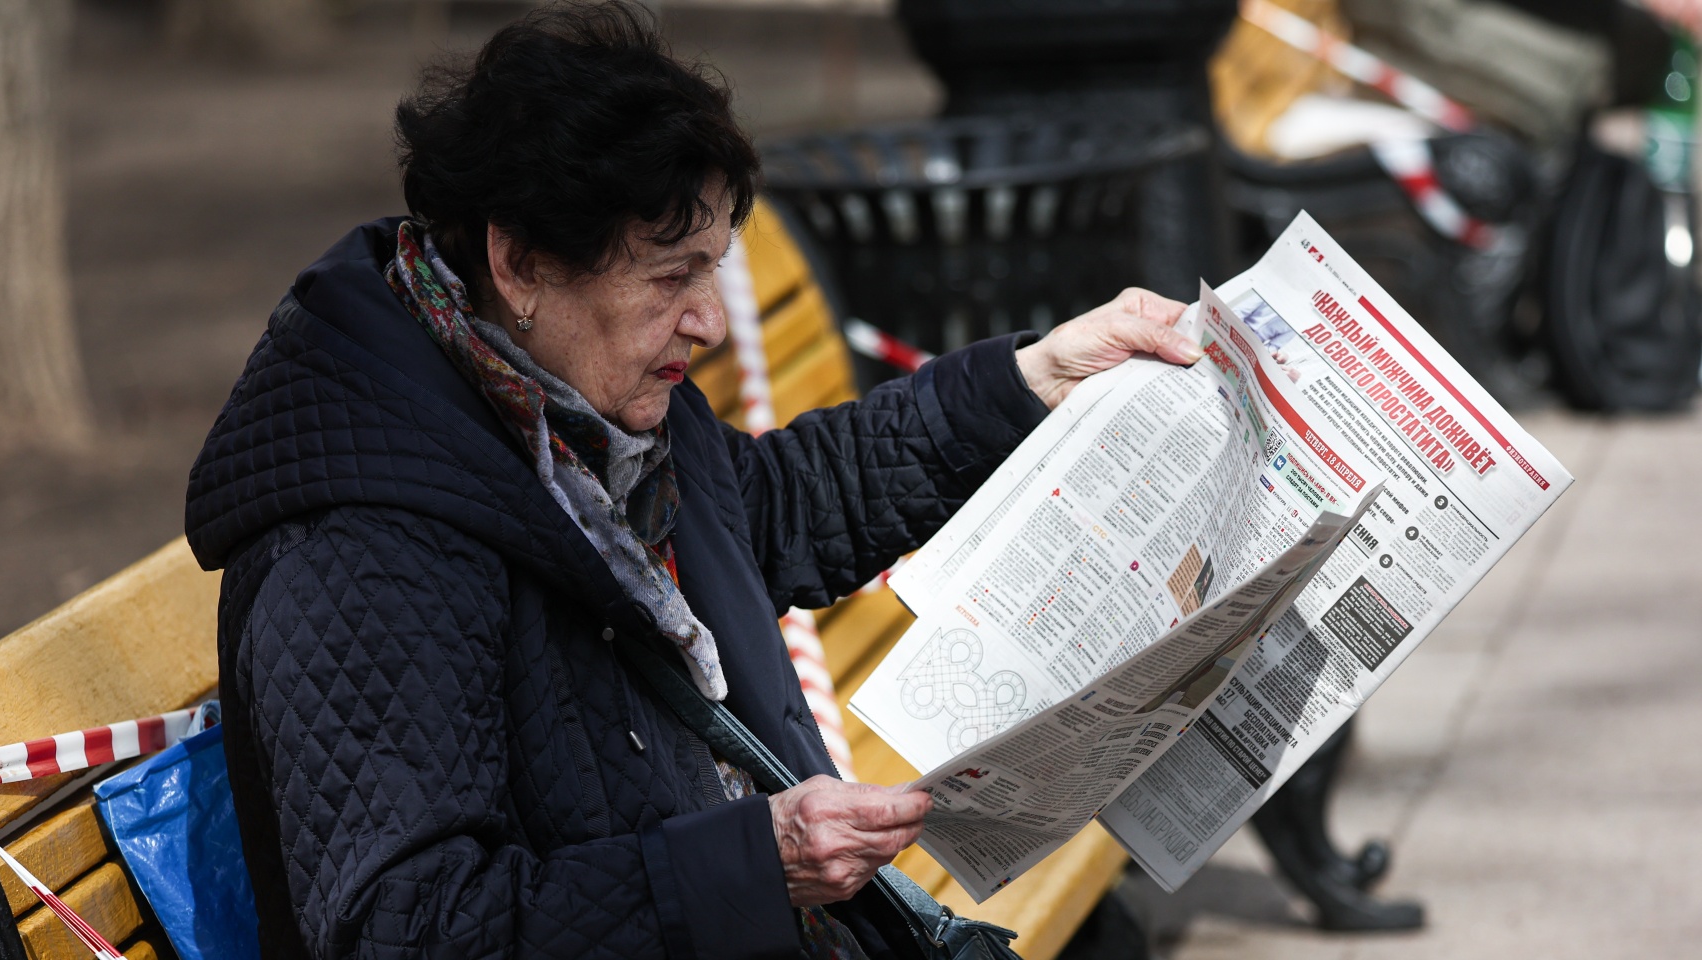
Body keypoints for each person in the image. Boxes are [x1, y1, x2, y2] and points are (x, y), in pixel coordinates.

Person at [183, 3, 1201, 957]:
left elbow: (775, 505)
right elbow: (403, 929)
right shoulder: (366, 545)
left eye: (714, 268)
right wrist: (752, 865)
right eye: (672, 277)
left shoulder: (573, 411)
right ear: (521, 261)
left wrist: (1033, 380)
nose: (709, 323)